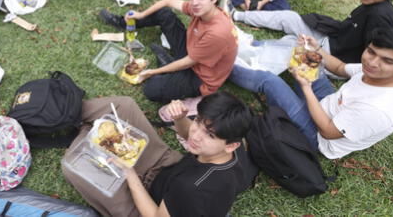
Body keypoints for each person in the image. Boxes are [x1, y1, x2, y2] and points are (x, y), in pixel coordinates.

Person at [229, 27, 393, 158]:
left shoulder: (379, 109)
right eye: (371, 52)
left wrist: (306, 87)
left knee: (270, 81)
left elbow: (327, 131)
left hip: (317, 137)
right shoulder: (371, 70)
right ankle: (243, 43)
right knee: (305, 54)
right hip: (328, 103)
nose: (372, 62)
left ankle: (221, 62)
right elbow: (340, 67)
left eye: (387, 61)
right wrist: (316, 49)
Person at [62, 93, 257, 217]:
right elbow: (189, 135)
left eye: (210, 135)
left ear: (230, 146)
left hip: (147, 206)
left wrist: (129, 174)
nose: (195, 135)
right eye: (198, 121)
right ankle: (63, 114)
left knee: (72, 164)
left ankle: (84, 129)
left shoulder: (192, 188)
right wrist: (180, 118)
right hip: (167, 165)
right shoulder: (235, 147)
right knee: (125, 106)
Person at [99, 0, 238, 103]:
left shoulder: (217, 32)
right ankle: (120, 22)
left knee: (151, 89)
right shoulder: (202, 8)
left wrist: (152, 72)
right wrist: (141, 15)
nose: (194, 3)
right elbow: (168, 1)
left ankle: (167, 65)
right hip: (193, 51)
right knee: (164, 14)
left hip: (200, 76)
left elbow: (188, 62)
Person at [230, 0, 393, 65]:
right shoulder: (373, 3)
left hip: (334, 56)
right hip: (331, 39)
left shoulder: (381, 15)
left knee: (289, 46)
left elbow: (374, 55)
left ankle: (238, 49)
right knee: (289, 18)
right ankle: (234, 15)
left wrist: (330, 61)